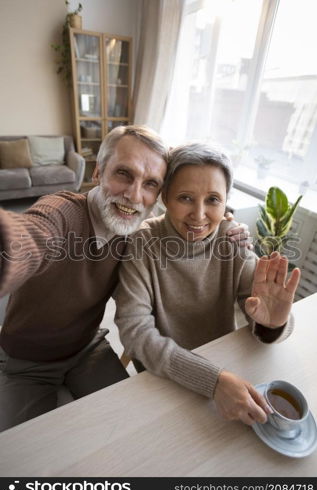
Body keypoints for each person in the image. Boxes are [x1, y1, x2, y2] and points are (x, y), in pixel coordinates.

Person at [0, 126, 250, 432]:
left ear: (159, 195)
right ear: (98, 171)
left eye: (150, 184)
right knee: (23, 454)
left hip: (87, 348)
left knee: (134, 428)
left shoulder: (135, 233)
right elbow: (30, 234)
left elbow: (194, 218)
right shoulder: (62, 214)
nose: (134, 195)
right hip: (26, 359)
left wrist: (226, 224)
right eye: (123, 174)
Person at [114, 142, 301, 426]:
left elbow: (264, 314)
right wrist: (212, 381)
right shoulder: (142, 243)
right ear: (165, 196)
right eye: (185, 198)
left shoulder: (232, 239)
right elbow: (135, 332)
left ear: (226, 201)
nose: (199, 215)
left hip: (226, 368)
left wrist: (272, 324)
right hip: (167, 376)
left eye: (213, 199)